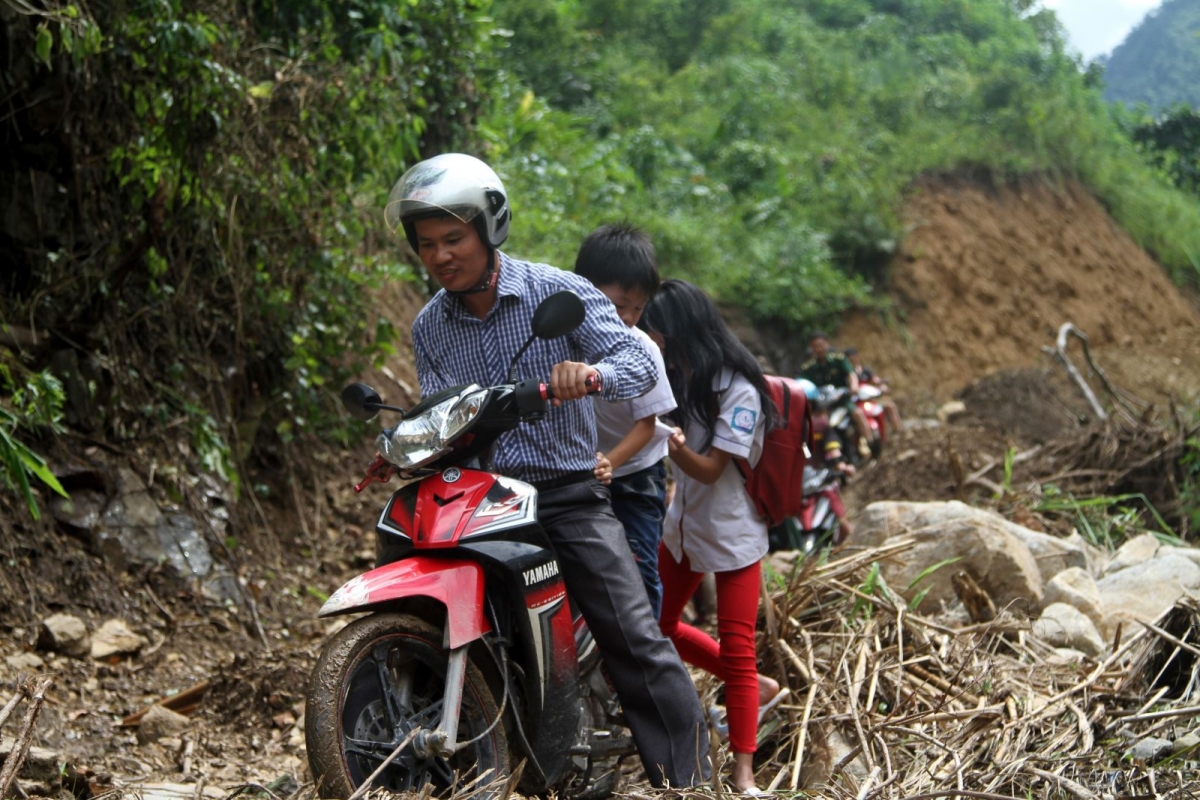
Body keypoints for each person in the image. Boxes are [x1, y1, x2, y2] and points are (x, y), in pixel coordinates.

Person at [387, 153, 709, 788]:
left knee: (633, 636)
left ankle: (695, 779)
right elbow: (444, 415)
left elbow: (638, 363)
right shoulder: (431, 325)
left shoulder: (555, 293)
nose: (441, 256)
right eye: (427, 245)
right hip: (479, 502)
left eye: (454, 238)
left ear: (490, 227)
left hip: (564, 495)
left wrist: (591, 376)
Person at [641, 279, 784, 794]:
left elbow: (706, 469)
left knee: (739, 650)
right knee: (654, 624)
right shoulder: (681, 376)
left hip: (733, 535)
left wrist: (666, 439)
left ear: (684, 332)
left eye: (658, 332)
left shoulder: (739, 390)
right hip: (683, 527)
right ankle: (761, 689)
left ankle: (744, 775)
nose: (654, 342)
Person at [574, 223, 675, 617]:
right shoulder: (560, 340)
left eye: (639, 307)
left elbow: (646, 426)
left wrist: (609, 463)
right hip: (580, 472)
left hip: (633, 474)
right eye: (619, 305)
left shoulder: (642, 348)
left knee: (638, 572)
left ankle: (646, 658)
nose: (629, 318)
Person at [798, 331, 874, 456]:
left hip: (842, 399)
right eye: (815, 346)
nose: (818, 348)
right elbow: (803, 385)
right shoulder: (808, 368)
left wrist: (853, 386)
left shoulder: (839, 360)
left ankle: (870, 442)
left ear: (827, 344)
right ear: (811, 348)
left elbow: (851, 374)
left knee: (857, 413)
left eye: (821, 345)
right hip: (823, 405)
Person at [844, 347, 902, 432]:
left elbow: (876, 381)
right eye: (850, 358)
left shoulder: (865, 370)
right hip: (855, 402)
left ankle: (897, 430)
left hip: (871, 400)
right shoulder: (846, 374)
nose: (853, 360)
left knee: (890, 406)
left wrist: (882, 387)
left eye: (854, 357)